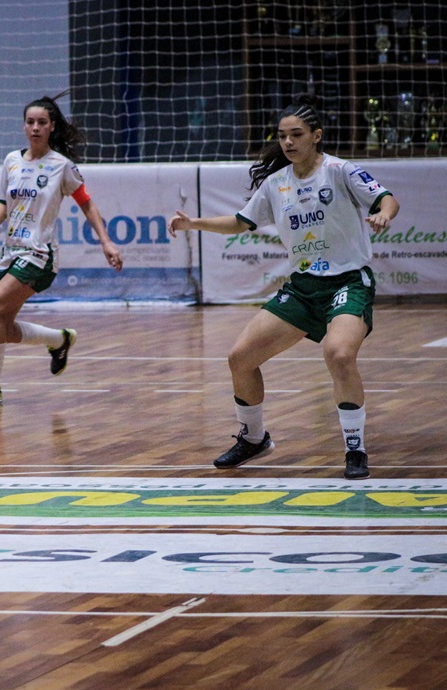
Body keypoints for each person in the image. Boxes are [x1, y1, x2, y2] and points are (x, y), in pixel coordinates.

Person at [167, 96, 399, 479]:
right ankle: (254, 437)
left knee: (339, 354)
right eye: (282, 136)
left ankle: (355, 448)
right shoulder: (277, 184)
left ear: (316, 136)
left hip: (348, 282)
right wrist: (193, 223)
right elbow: (241, 222)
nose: (288, 142)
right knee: (240, 358)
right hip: (303, 287)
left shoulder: (340, 172)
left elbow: (386, 198)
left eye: (297, 135)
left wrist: (382, 215)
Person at [0, 92, 123, 407]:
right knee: (1, 327)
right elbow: (2, 200)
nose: (35, 127)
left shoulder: (61, 166)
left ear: (51, 127)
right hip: (10, 251)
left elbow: (87, 204)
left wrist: (106, 241)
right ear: (24, 126)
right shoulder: (11, 160)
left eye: (42, 122)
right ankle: (59, 340)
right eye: (30, 122)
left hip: (39, 254)